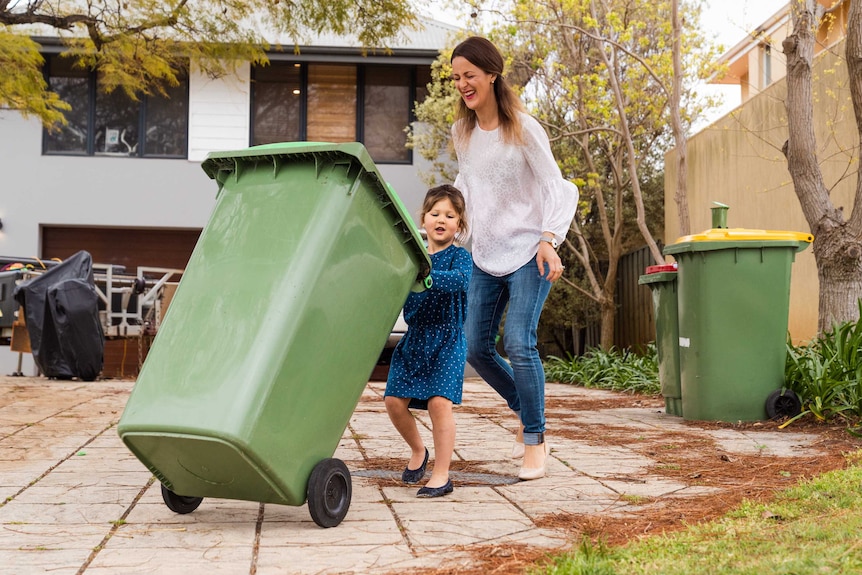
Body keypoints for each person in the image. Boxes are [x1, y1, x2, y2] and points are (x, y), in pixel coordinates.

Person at [450, 36, 579, 481]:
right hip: (485, 252)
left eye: (470, 75)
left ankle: (534, 439)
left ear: (491, 74)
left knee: (520, 343)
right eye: (457, 78)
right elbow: (467, 186)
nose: (463, 85)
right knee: (477, 348)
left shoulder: (523, 127)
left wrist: (549, 238)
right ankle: (528, 410)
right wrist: (448, 218)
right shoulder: (463, 132)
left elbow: (557, 187)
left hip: (529, 250)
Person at [384, 184, 473, 498]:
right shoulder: (411, 259)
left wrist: (428, 276)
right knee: (393, 402)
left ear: (459, 226)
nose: (441, 219)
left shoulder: (460, 258)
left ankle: (441, 474)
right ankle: (418, 450)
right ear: (423, 220)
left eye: (450, 215)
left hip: (447, 339)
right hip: (415, 340)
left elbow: (460, 281)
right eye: (435, 213)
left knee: (439, 404)